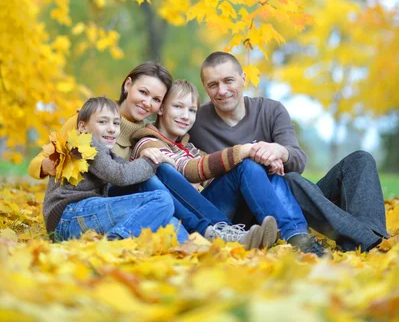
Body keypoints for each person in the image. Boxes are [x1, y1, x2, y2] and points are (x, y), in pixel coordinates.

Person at [32, 62, 275, 250]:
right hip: (83, 204)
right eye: (143, 92)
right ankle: (216, 230)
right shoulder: (88, 123)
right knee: (158, 184)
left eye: (156, 99)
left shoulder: (143, 133)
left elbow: (150, 165)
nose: (147, 102)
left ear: (160, 106)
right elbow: (45, 160)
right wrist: (47, 164)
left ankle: (202, 245)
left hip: (112, 199)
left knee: (164, 209)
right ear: (128, 85)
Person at [189, 51, 388, 252]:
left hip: (290, 200)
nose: (222, 90)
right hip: (250, 214)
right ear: (205, 87)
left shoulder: (271, 110)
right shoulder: (194, 121)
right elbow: (174, 149)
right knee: (286, 178)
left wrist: (279, 151)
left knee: (359, 160)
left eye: (228, 81)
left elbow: (298, 160)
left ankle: (371, 237)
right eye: (213, 84)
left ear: (243, 79)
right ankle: (362, 238)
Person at [132, 79, 316, 252]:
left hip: (206, 209)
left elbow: (213, 178)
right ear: (161, 109)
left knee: (250, 166)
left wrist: (264, 157)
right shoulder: (148, 141)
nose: (185, 116)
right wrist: (244, 150)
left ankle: (295, 236)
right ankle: (229, 232)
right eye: (178, 107)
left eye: (192, 110)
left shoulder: (191, 149)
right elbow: (187, 169)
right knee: (165, 168)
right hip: (187, 219)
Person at [43, 96, 189, 242]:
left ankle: (189, 248)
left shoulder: (106, 154)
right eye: (102, 122)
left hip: (80, 216)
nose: (112, 129)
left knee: (167, 219)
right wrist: (152, 161)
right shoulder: (85, 144)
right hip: (68, 216)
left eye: (116, 123)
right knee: (162, 200)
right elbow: (120, 175)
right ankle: (117, 240)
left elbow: (125, 168)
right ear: (82, 127)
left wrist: (149, 158)